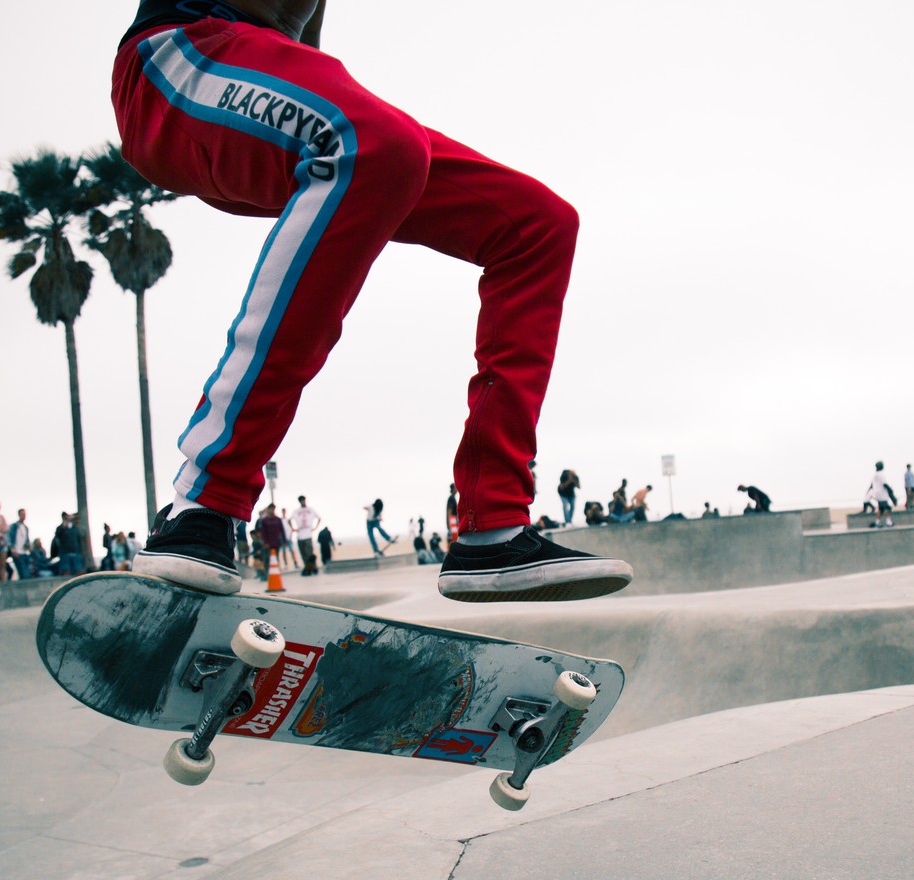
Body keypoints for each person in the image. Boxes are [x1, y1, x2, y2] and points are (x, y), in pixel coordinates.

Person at [111, 1, 629, 603]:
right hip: (171, 68)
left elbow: (303, 50)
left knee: (537, 223)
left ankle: (494, 526)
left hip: (259, 97)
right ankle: (204, 501)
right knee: (378, 141)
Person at [291, 495, 321, 576]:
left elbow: (319, 518)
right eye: (301, 500)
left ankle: (312, 567)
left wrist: (314, 528)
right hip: (300, 534)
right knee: (303, 553)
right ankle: (308, 568)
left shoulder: (310, 509)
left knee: (309, 553)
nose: (303, 502)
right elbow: (289, 520)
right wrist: (293, 528)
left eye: (303, 500)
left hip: (308, 534)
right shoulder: (296, 511)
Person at [865, 462, 894, 527]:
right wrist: (890, 490)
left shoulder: (875, 475)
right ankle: (888, 522)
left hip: (877, 494)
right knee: (887, 508)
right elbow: (884, 484)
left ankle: (878, 522)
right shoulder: (881, 474)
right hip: (882, 494)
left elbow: (871, 485)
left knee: (881, 509)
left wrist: (868, 493)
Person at [8, 508, 33, 580]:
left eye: (24, 514)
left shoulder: (25, 527)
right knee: (23, 573)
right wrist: (13, 550)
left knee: (27, 572)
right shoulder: (14, 526)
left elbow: (27, 540)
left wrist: (28, 546)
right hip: (17, 552)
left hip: (24, 552)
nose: (24, 516)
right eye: (22, 514)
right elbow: (9, 539)